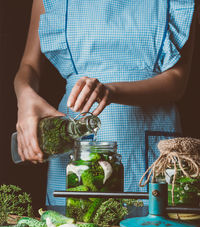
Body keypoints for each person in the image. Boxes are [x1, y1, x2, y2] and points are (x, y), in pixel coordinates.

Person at [14, 0, 196, 209]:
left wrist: (111, 91)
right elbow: (29, 66)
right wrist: (25, 96)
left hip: (148, 144)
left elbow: (177, 82)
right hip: (76, 142)